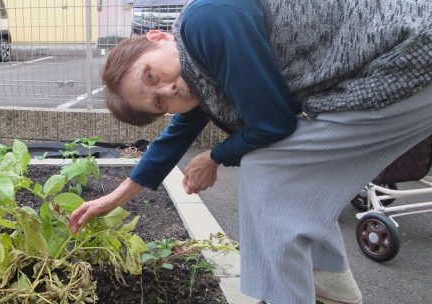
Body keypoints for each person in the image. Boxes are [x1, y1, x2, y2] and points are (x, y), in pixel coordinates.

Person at [68, 0, 432, 303]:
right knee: (292, 170)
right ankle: (330, 281)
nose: (170, 89)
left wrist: (214, 157)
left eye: (150, 75)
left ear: (158, 37)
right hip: (408, 60)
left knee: (267, 167)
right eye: (160, 102)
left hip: (409, 54)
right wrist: (112, 200)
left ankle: (287, 294)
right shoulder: (199, 69)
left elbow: (273, 124)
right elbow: (171, 142)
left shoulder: (204, 24)